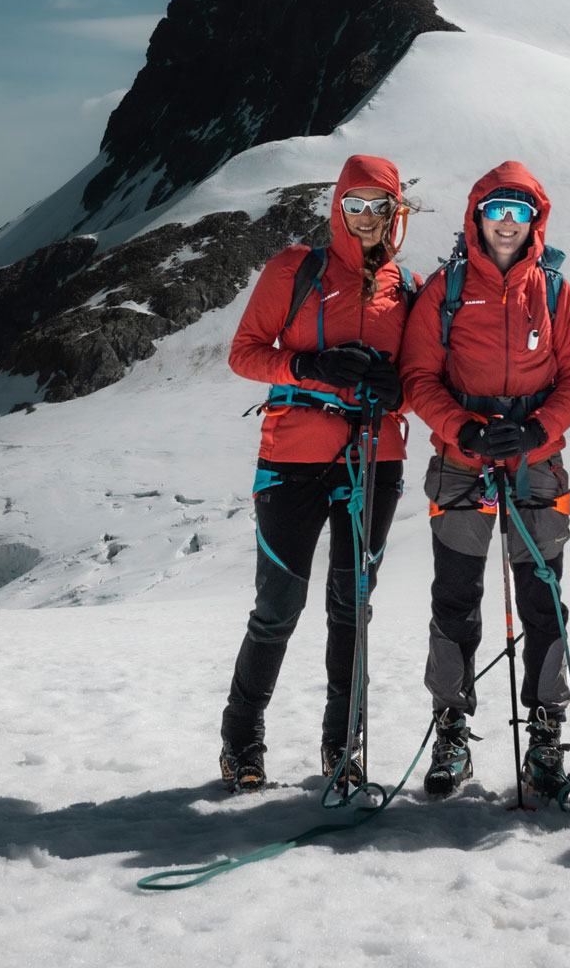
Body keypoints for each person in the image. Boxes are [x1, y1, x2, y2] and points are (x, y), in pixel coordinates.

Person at [399, 162, 570, 801]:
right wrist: (465, 430)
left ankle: (545, 734)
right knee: (454, 598)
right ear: (476, 216)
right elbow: (418, 377)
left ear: (535, 220)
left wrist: (538, 431)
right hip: (463, 463)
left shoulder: (557, 293)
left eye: (519, 212)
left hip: (535, 464)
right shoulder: (445, 291)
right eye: (495, 210)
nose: (506, 224)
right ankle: (451, 730)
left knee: (544, 602)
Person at [219, 154, 416, 794]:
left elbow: (421, 387)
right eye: (353, 203)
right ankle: (241, 743)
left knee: (350, 608)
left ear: (395, 212)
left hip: (374, 459)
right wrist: (309, 370)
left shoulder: (407, 289)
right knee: (277, 608)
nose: (364, 217)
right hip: (291, 460)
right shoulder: (294, 271)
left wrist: (398, 392)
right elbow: (244, 354)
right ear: (337, 206)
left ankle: (342, 751)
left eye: (377, 205)